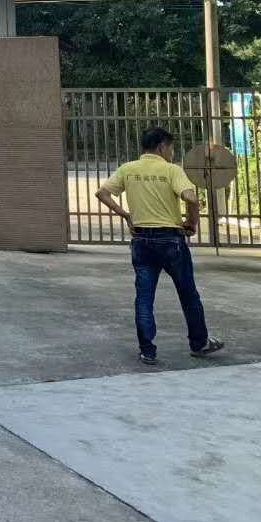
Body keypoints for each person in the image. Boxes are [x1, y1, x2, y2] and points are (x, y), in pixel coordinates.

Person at [95, 126, 225, 366]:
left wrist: (126, 215)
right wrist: (191, 223)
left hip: (141, 241)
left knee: (144, 297)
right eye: (171, 149)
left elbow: (102, 193)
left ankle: (147, 351)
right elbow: (191, 198)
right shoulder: (171, 170)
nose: (171, 153)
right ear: (162, 146)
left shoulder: (128, 169)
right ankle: (199, 343)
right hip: (171, 240)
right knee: (188, 294)